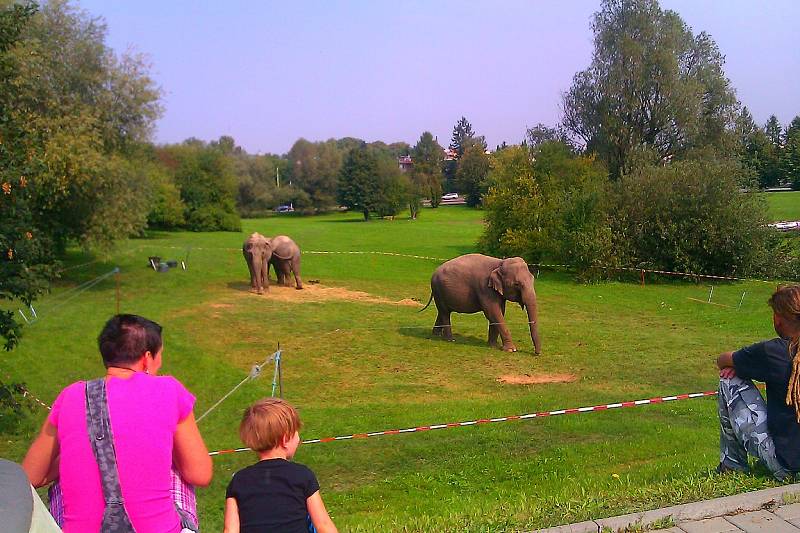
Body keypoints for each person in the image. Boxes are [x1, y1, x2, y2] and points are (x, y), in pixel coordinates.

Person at [22, 314, 213, 532]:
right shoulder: (169, 389)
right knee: (175, 472)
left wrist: (81, 452)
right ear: (147, 358)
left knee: (62, 486)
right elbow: (200, 473)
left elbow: (30, 475)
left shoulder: (71, 395)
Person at [716, 284, 800, 480]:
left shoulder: (773, 352)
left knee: (730, 381)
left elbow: (722, 360)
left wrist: (738, 364)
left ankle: (732, 465)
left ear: (778, 318)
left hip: (788, 467)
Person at [224, 398, 337, 533]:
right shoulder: (302, 475)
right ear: (285, 439)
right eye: (296, 432)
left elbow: (230, 529)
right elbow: (323, 524)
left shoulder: (238, 480)